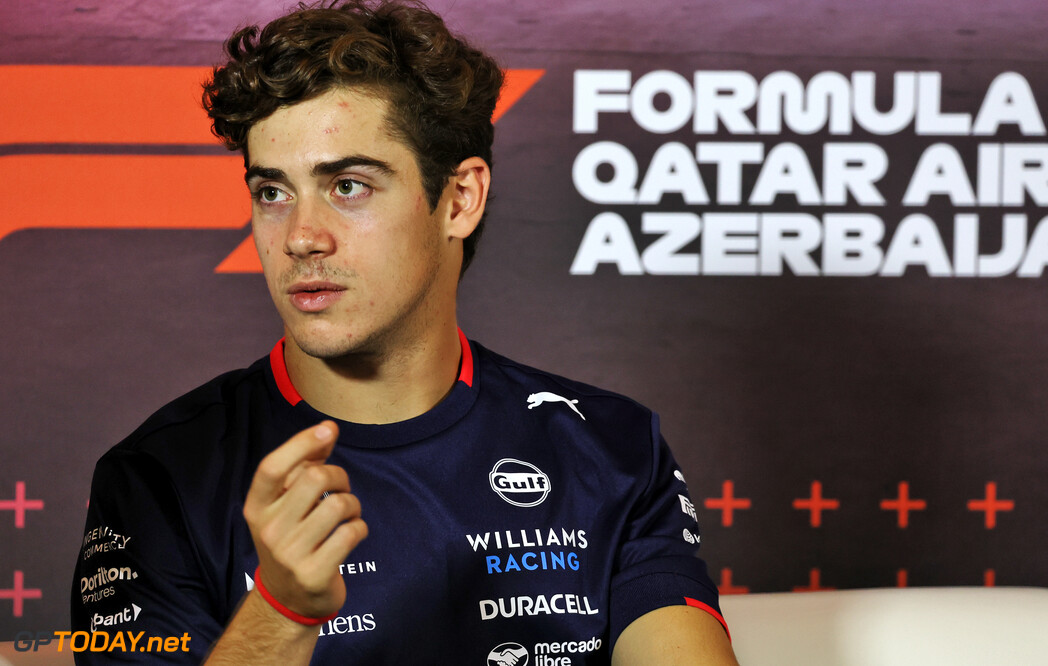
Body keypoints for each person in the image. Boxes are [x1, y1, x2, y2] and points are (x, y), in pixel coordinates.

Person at [71, 1, 737, 663]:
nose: (300, 236)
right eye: (272, 192)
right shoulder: (157, 480)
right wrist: (281, 612)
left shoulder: (612, 448)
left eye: (349, 186)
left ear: (459, 199)